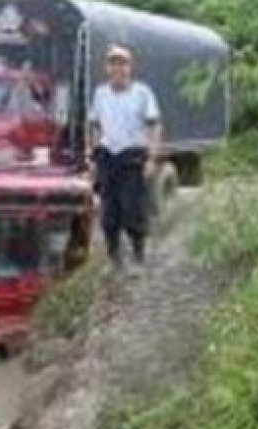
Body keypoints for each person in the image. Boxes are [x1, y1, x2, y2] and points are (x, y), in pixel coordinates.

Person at [88, 44, 162, 268]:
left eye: (122, 63)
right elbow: (94, 126)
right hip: (108, 156)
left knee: (132, 209)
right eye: (113, 63)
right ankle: (114, 259)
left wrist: (152, 157)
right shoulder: (100, 93)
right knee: (109, 212)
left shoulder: (142, 92)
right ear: (106, 68)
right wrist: (92, 156)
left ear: (130, 67)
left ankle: (138, 256)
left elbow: (154, 124)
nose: (118, 68)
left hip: (132, 156)